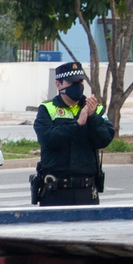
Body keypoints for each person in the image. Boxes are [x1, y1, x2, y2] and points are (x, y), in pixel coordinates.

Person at [31, 60, 113, 206]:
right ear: (58, 85)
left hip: (86, 191)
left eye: (80, 82)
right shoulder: (47, 109)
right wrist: (77, 124)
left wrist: (92, 118)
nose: (77, 86)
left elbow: (104, 139)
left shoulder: (95, 109)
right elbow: (48, 139)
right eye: (71, 83)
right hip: (55, 191)